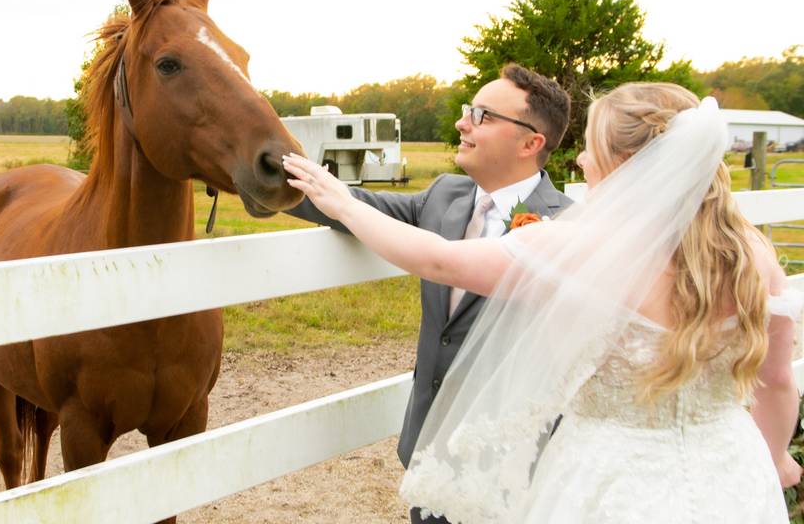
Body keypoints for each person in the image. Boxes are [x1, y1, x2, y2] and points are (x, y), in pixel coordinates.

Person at [283, 82, 803, 523]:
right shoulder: (751, 254)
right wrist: (775, 458)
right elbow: (776, 380)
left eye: (592, 147)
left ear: (628, 164)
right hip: (732, 474)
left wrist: (343, 202)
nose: (579, 157)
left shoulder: (585, 247)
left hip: (608, 480)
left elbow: (440, 260)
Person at [287, 64, 572, 523]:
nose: (463, 123)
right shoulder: (445, 196)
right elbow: (358, 207)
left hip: (514, 474)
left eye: (482, 115)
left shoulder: (567, 224)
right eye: (467, 111)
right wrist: (265, 168)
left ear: (530, 142)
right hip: (429, 453)